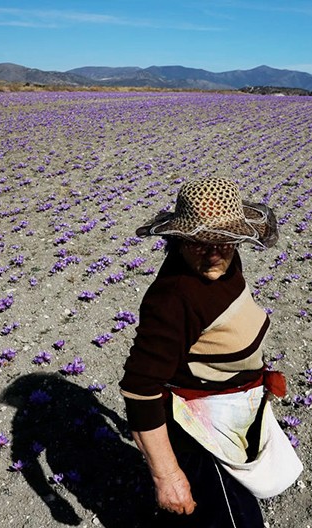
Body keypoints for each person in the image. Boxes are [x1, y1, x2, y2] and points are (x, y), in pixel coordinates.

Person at [119, 177, 301, 527]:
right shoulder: (173, 299)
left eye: (226, 240)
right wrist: (167, 476)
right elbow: (139, 390)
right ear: (182, 239)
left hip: (234, 406)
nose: (215, 252)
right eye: (202, 243)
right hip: (202, 432)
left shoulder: (221, 264)